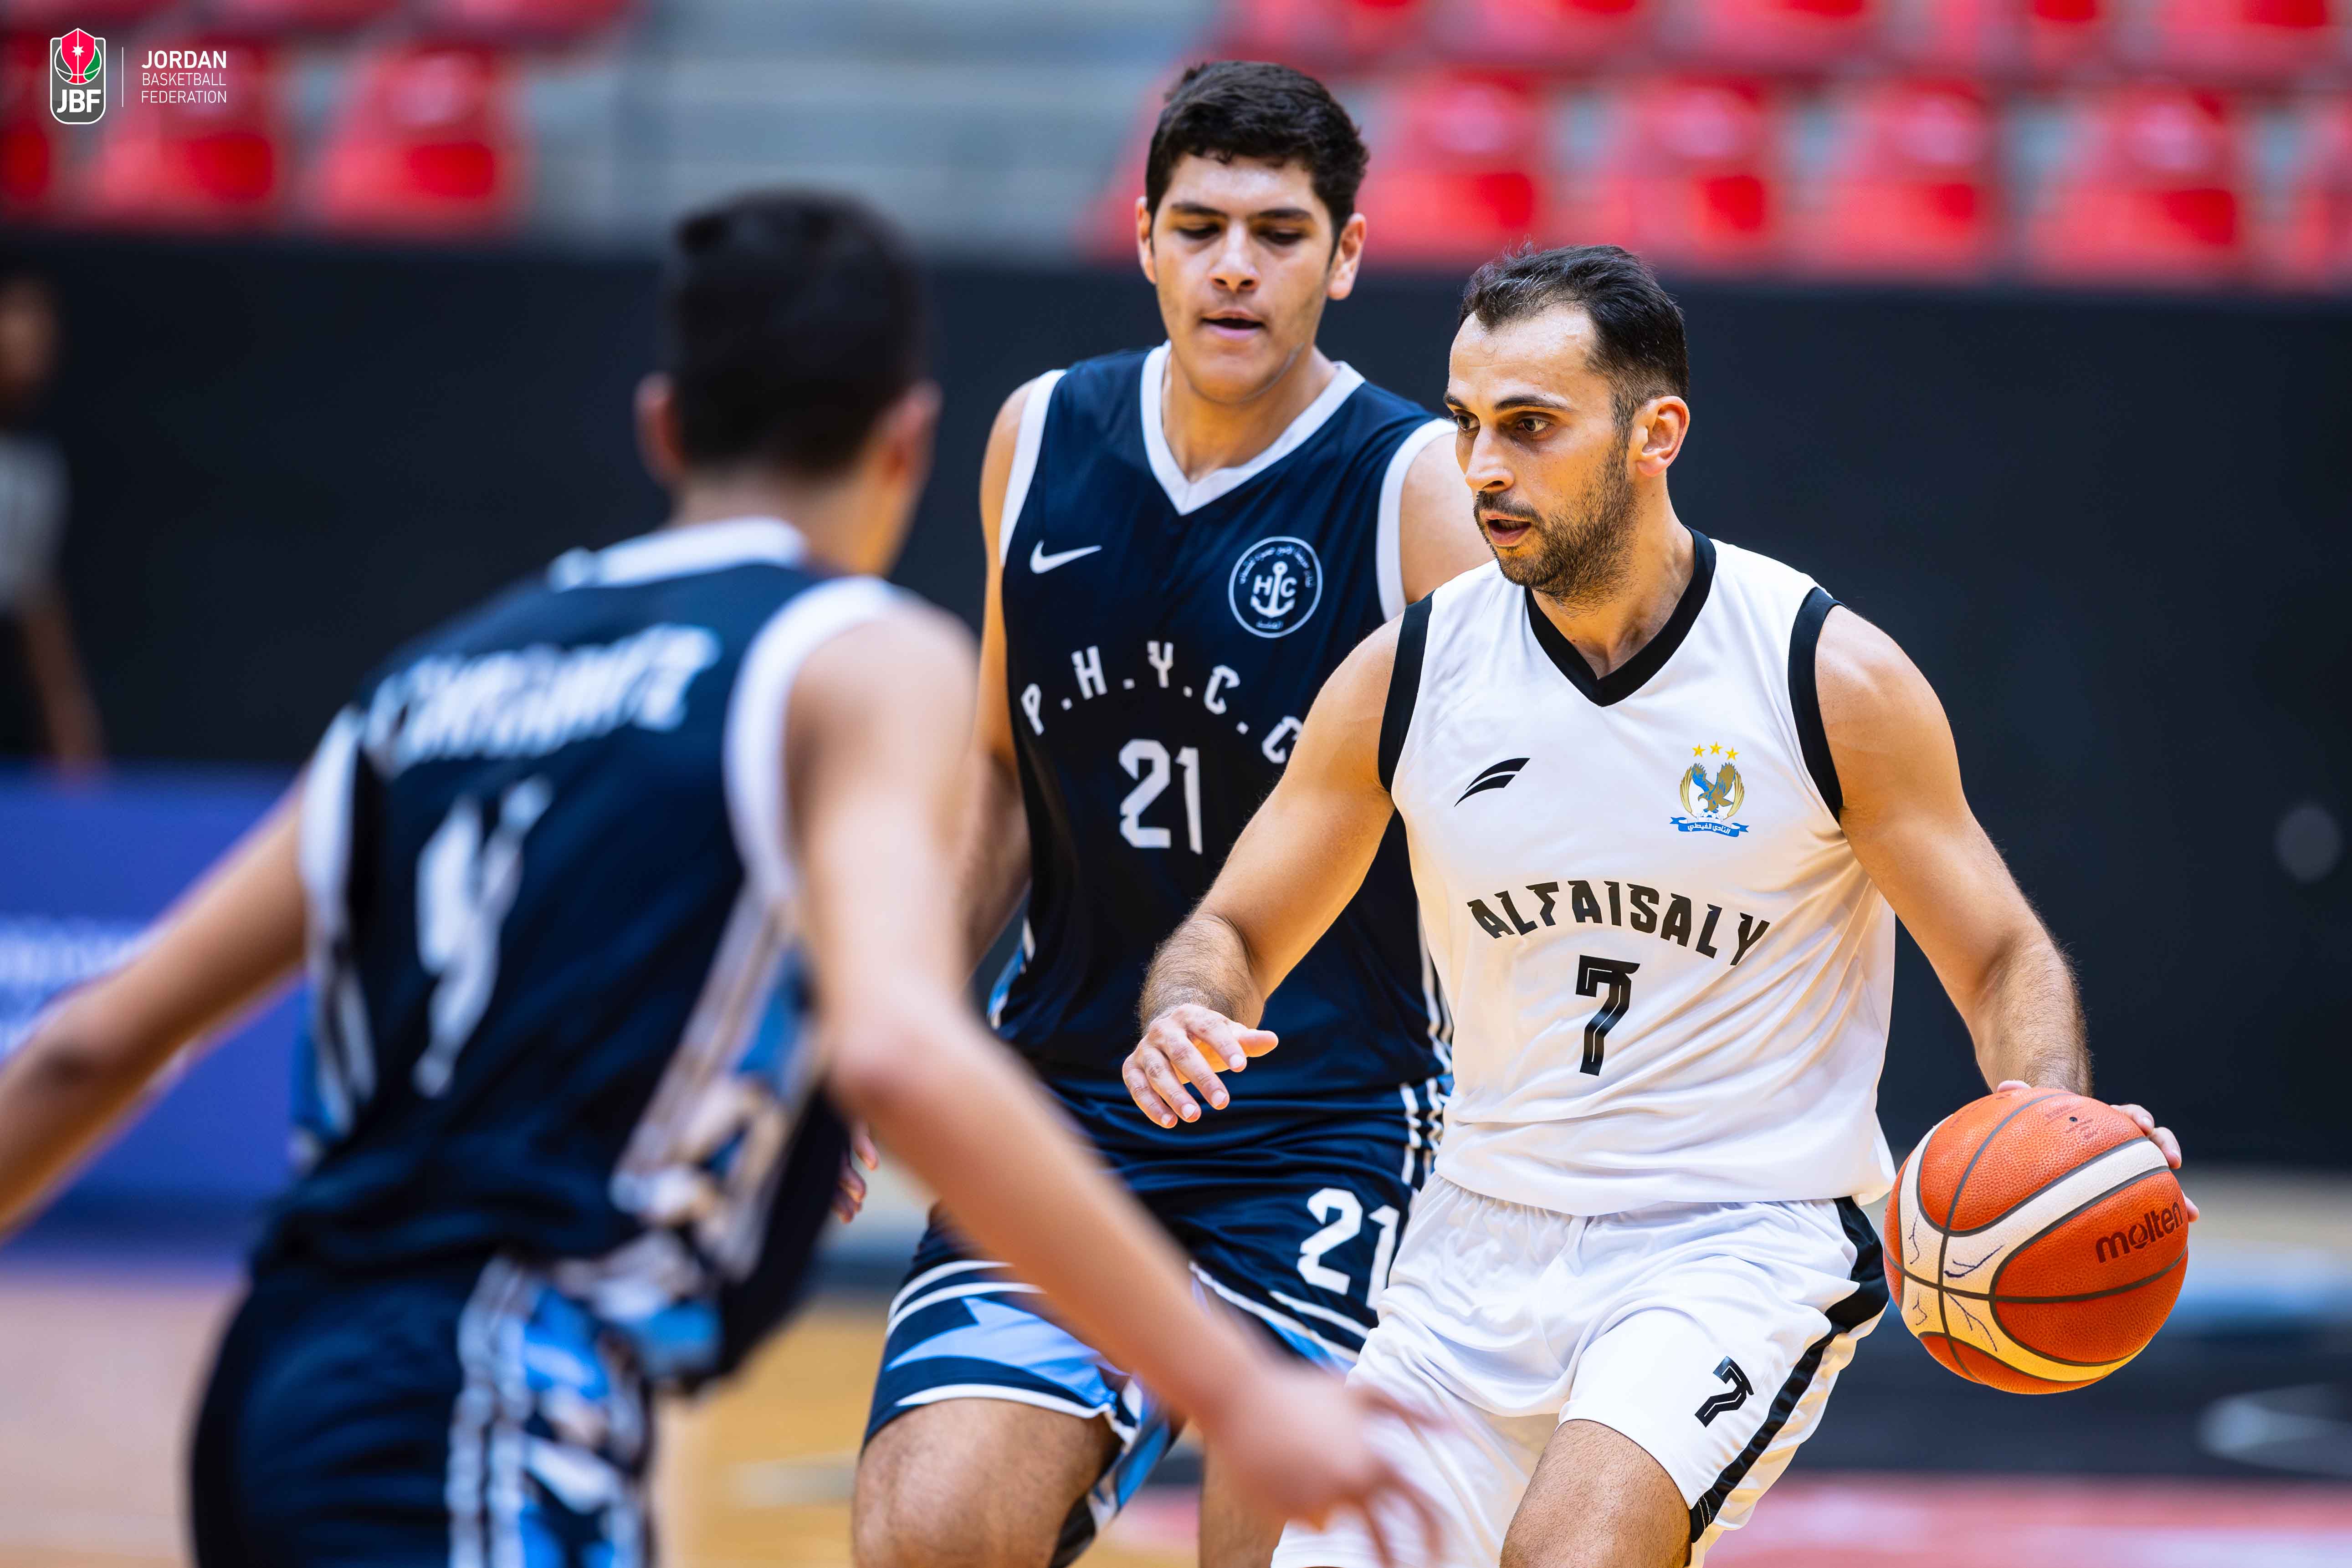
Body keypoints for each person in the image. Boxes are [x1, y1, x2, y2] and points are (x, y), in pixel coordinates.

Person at [0, 193, 1431, 1567]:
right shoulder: (844, 658)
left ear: (662, 425)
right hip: (487, 1383)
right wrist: (1231, 1394)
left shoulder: (437, 678)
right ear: (906, 442)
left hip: (268, 1378)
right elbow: (892, 1047)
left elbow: (87, 1045)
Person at [1121, 245, 2194, 1568]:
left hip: (1736, 1238)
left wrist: (2053, 1115)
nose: (1481, 468)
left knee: (1571, 1552)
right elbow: (1230, 928)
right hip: (1473, 1239)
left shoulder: (1821, 675)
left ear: (1654, 434)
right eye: (1465, 424)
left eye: (1529, 426)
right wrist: (1188, 1004)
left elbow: (1999, 953)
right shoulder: (1407, 675)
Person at [852, 59, 1491, 1568]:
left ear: (1345, 255)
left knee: (1290, 1550)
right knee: (928, 1535)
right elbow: (1000, 770)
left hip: (1333, 1123)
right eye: (1199, 227)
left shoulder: (1415, 492)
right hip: (1068, 1108)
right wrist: (906, 1020)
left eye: (1279, 233)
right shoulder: (1040, 437)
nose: (1233, 267)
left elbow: (1510, 834)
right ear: (1142, 237)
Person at [0, 258, 102, 769]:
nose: (32, 344)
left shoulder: (36, 469)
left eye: (43, 329)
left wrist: (69, 725)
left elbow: (36, 603)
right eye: (16, 318)